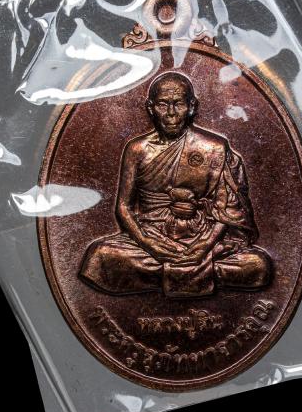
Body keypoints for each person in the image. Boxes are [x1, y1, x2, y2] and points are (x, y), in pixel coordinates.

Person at [79, 72, 272, 298]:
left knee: (258, 265)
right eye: (163, 105)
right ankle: (197, 273)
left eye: (178, 104)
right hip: (151, 236)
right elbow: (123, 207)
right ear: (151, 108)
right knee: (100, 256)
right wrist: (149, 243)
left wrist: (204, 246)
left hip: (204, 239)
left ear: (191, 106)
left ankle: (160, 275)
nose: (171, 113)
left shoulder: (215, 148)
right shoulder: (137, 150)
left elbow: (227, 210)